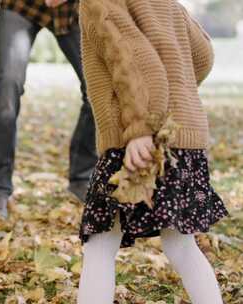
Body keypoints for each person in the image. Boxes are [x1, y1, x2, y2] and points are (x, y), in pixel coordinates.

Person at [76, 0, 228, 303]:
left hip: (136, 139)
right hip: (182, 138)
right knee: (182, 246)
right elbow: (202, 55)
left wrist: (139, 129)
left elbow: (134, 61)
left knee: (100, 244)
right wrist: (176, 97)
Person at [0, 0, 98, 218]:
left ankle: (82, 177)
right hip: (23, 5)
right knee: (7, 84)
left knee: (98, 88)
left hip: (71, 11)